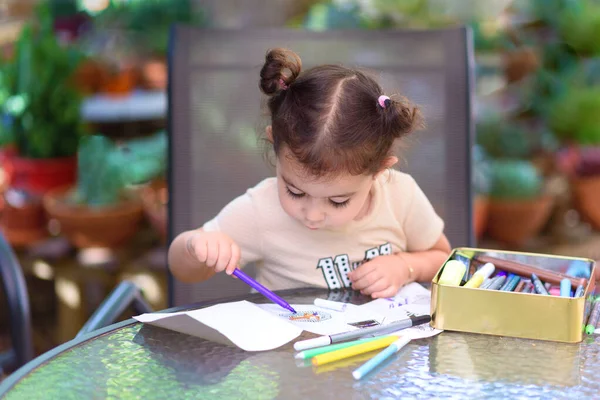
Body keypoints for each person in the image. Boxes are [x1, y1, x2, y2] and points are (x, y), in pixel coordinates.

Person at [168, 48, 451, 299]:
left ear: (379, 170)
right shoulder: (260, 210)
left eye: (338, 201)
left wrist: (405, 267)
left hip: (380, 351)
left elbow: (445, 259)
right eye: (295, 191)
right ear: (274, 144)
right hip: (288, 354)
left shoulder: (400, 195)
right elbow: (184, 271)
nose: (313, 214)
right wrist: (196, 247)